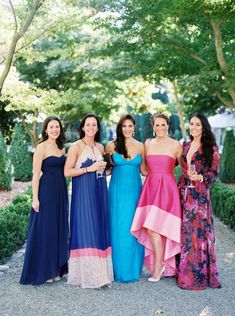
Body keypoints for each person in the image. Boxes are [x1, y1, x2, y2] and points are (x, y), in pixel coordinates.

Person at [131, 113, 182, 282]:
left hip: (168, 190)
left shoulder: (176, 145)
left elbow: (185, 168)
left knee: (159, 228)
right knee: (152, 228)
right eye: (157, 125)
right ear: (153, 127)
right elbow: (144, 170)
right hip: (151, 188)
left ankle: (160, 267)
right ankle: (161, 266)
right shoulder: (147, 144)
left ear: (168, 125)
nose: (161, 128)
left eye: (163, 125)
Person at [64, 113, 113, 288]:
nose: (91, 127)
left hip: (99, 191)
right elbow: (67, 172)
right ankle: (88, 276)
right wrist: (88, 169)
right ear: (83, 127)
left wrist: (110, 170)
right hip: (83, 193)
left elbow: (103, 171)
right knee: (86, 227)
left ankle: (101, 272)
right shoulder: (76, 147)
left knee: (99, 226)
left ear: (98, 128)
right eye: (88, 124)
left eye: (94, 124)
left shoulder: (100, 147)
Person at [20, 116, 69, 285]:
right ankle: (45, 270)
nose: (55, 129)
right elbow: (35, 175)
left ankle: (56, 267)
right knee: (47, 229)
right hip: (46, 191)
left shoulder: (61, 147)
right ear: (46, 130)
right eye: (51, 127)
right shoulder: (41, 147)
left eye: (57, 126)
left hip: (60, 191)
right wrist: (35, 198)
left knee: (58, 228)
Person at [177, 113, 221, 290]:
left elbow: (214, 173)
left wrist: (202, 177)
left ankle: (200, 276)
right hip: (185, 193)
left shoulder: (211, 147)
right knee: (187, 234)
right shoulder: (186, 146)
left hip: (200, 196)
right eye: (192, 124)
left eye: (197, 124)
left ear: (204, 127)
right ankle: (186, 273)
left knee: (200, 234)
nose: (193, 127)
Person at [106, 114, 147, 282]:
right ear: (120, 128)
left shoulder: (141, 146)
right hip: (116, 192)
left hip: (135, 193)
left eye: (130, 126)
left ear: (134, 128)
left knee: (133, 228)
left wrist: (165, 170)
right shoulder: (111, 145)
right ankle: (117, 269)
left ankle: (133, 268)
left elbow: (144, 171)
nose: (127, 129)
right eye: (124, 126)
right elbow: (106, 170)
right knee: (118, 228)